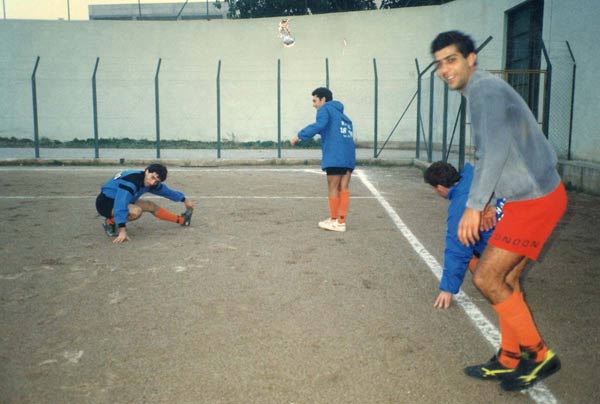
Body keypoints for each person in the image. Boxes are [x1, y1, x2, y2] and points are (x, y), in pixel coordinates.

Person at [431, 31, 567, 391]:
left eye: (451, 59)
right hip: (532, 195)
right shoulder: (483, 90)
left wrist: (474, 207)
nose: (445, 69)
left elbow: (491, 152)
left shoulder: (485, 91)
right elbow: (505, 149)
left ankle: (539, 356)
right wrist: (492, 201)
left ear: (470, 59)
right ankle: (509, 357)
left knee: (487, 278)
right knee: (506, 280)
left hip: (535, 199)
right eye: (439, 63)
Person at [424, 161, 502, 310]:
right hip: (520, 221)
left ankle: (501, 276)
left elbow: (456, 250)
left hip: (506, 243)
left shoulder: (460, 206)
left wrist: (447, 289)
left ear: (440, 187)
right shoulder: (474, 175)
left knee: (465, 244)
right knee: (474, 241)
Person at [290, 87, 356, 232]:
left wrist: (299, 136)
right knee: (343, 187)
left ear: (323, 99)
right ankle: (340, 221)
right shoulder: (342, 115)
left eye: (315, 101)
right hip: (348, 155)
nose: (313, 104)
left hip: (335, 155)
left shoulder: (325, 110)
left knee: (332, 186)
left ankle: (335, 220)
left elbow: (319, 125)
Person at [95, 163, 194, 244]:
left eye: (156, 181)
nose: (152, 182)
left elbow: (166, 192)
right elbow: (121, 203)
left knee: (150, 206)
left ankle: (183, 220)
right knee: (136, 211)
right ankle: (110, 222)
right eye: (152, 177)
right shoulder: (132, 181)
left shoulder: (148, 180)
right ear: (147, 171)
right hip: (105, 202)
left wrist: (184, 200)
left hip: (121, 198)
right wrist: (122, 231)